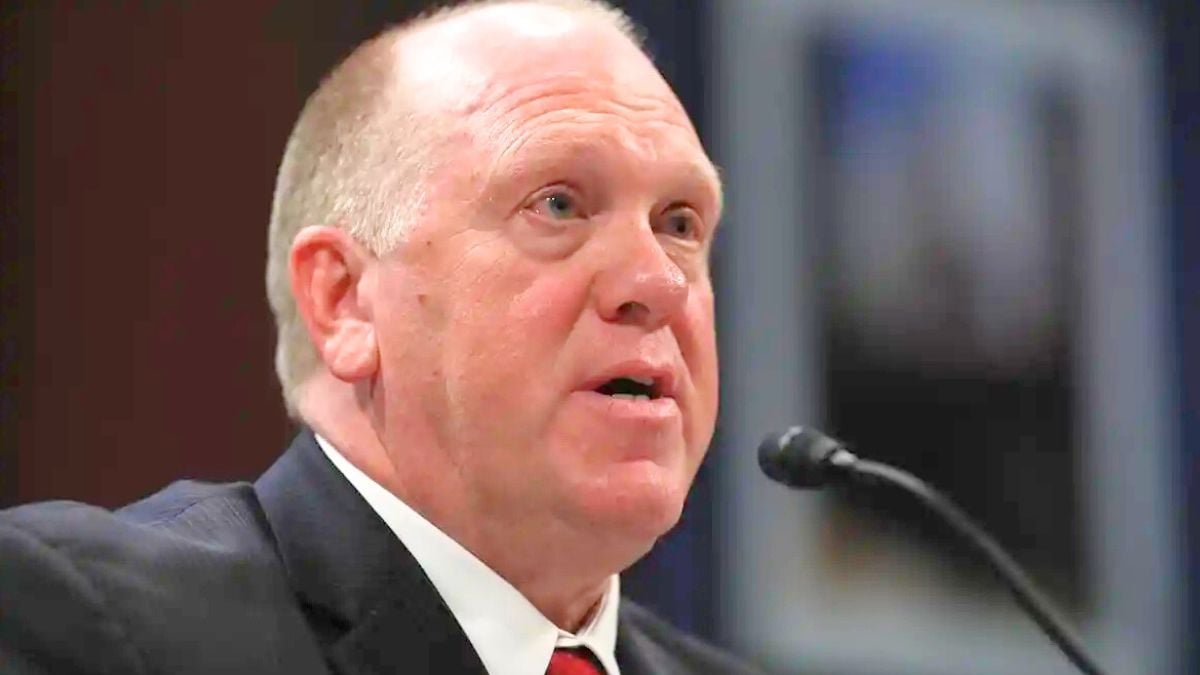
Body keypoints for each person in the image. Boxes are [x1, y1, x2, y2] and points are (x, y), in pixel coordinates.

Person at [0, 1, 763, 673]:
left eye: (680, 223)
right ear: (345, 302)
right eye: (559, 205)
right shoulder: (91, 623)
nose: (658, 281)